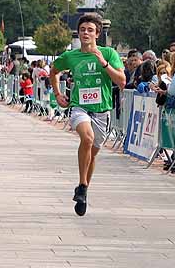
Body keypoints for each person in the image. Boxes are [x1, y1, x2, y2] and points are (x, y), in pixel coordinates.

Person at [51, 12, 125, 216]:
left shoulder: (109, 53)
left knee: (92, 154)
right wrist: (58, 94)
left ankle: (83, 190)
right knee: (87, 138)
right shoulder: (71, 56)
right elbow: (53, 71)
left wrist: (103, 63)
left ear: (97, 34)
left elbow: (122, 81)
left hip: (102, 110)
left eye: (90, 30)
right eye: (82, 29)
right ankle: (82, 185)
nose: (85, 33)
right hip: (79, 106)